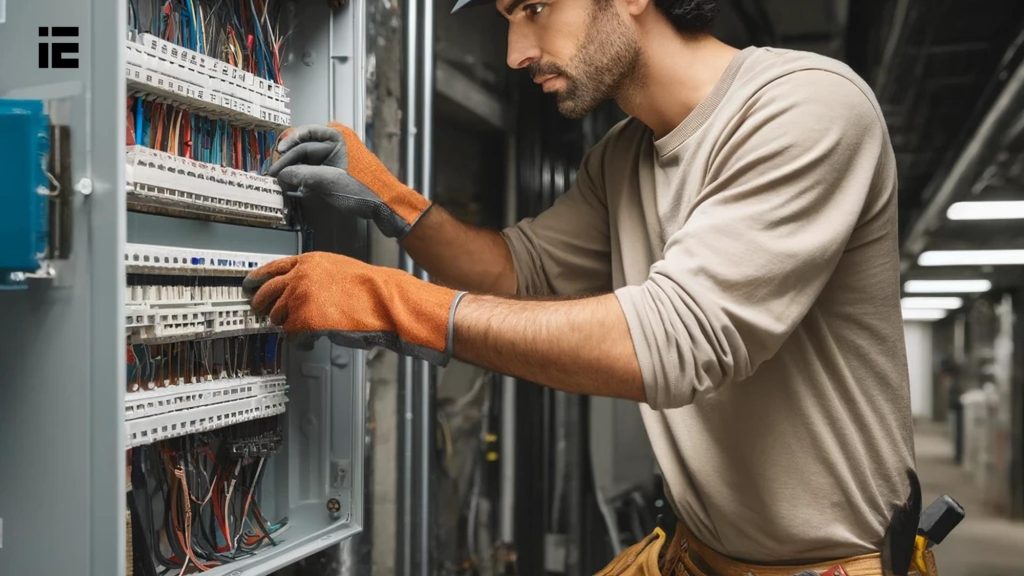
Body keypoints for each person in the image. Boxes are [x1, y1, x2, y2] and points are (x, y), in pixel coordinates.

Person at [244, 0, 918, 573]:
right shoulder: (624, 155)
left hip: (830, 564)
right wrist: (394, 203)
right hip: (696, 550)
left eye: (534, 8)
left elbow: (677, 342)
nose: (514, 51)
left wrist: (393, 302)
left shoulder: (806, 106)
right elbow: (520, 271)